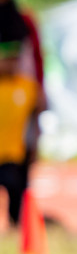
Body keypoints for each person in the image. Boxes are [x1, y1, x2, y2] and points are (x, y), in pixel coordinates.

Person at [0, 0, 46, 168]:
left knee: (19, 162)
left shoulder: (22, 21)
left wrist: (40, 91)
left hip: (20, 97)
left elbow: (35, 59)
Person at [0, 37, 40, 230]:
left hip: (14, 153)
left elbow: (36, 116)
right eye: (7, 59)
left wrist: (34, 146)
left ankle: (16, 225)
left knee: (17, 188)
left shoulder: (27, 87)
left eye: (14, 59)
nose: (11, 64)